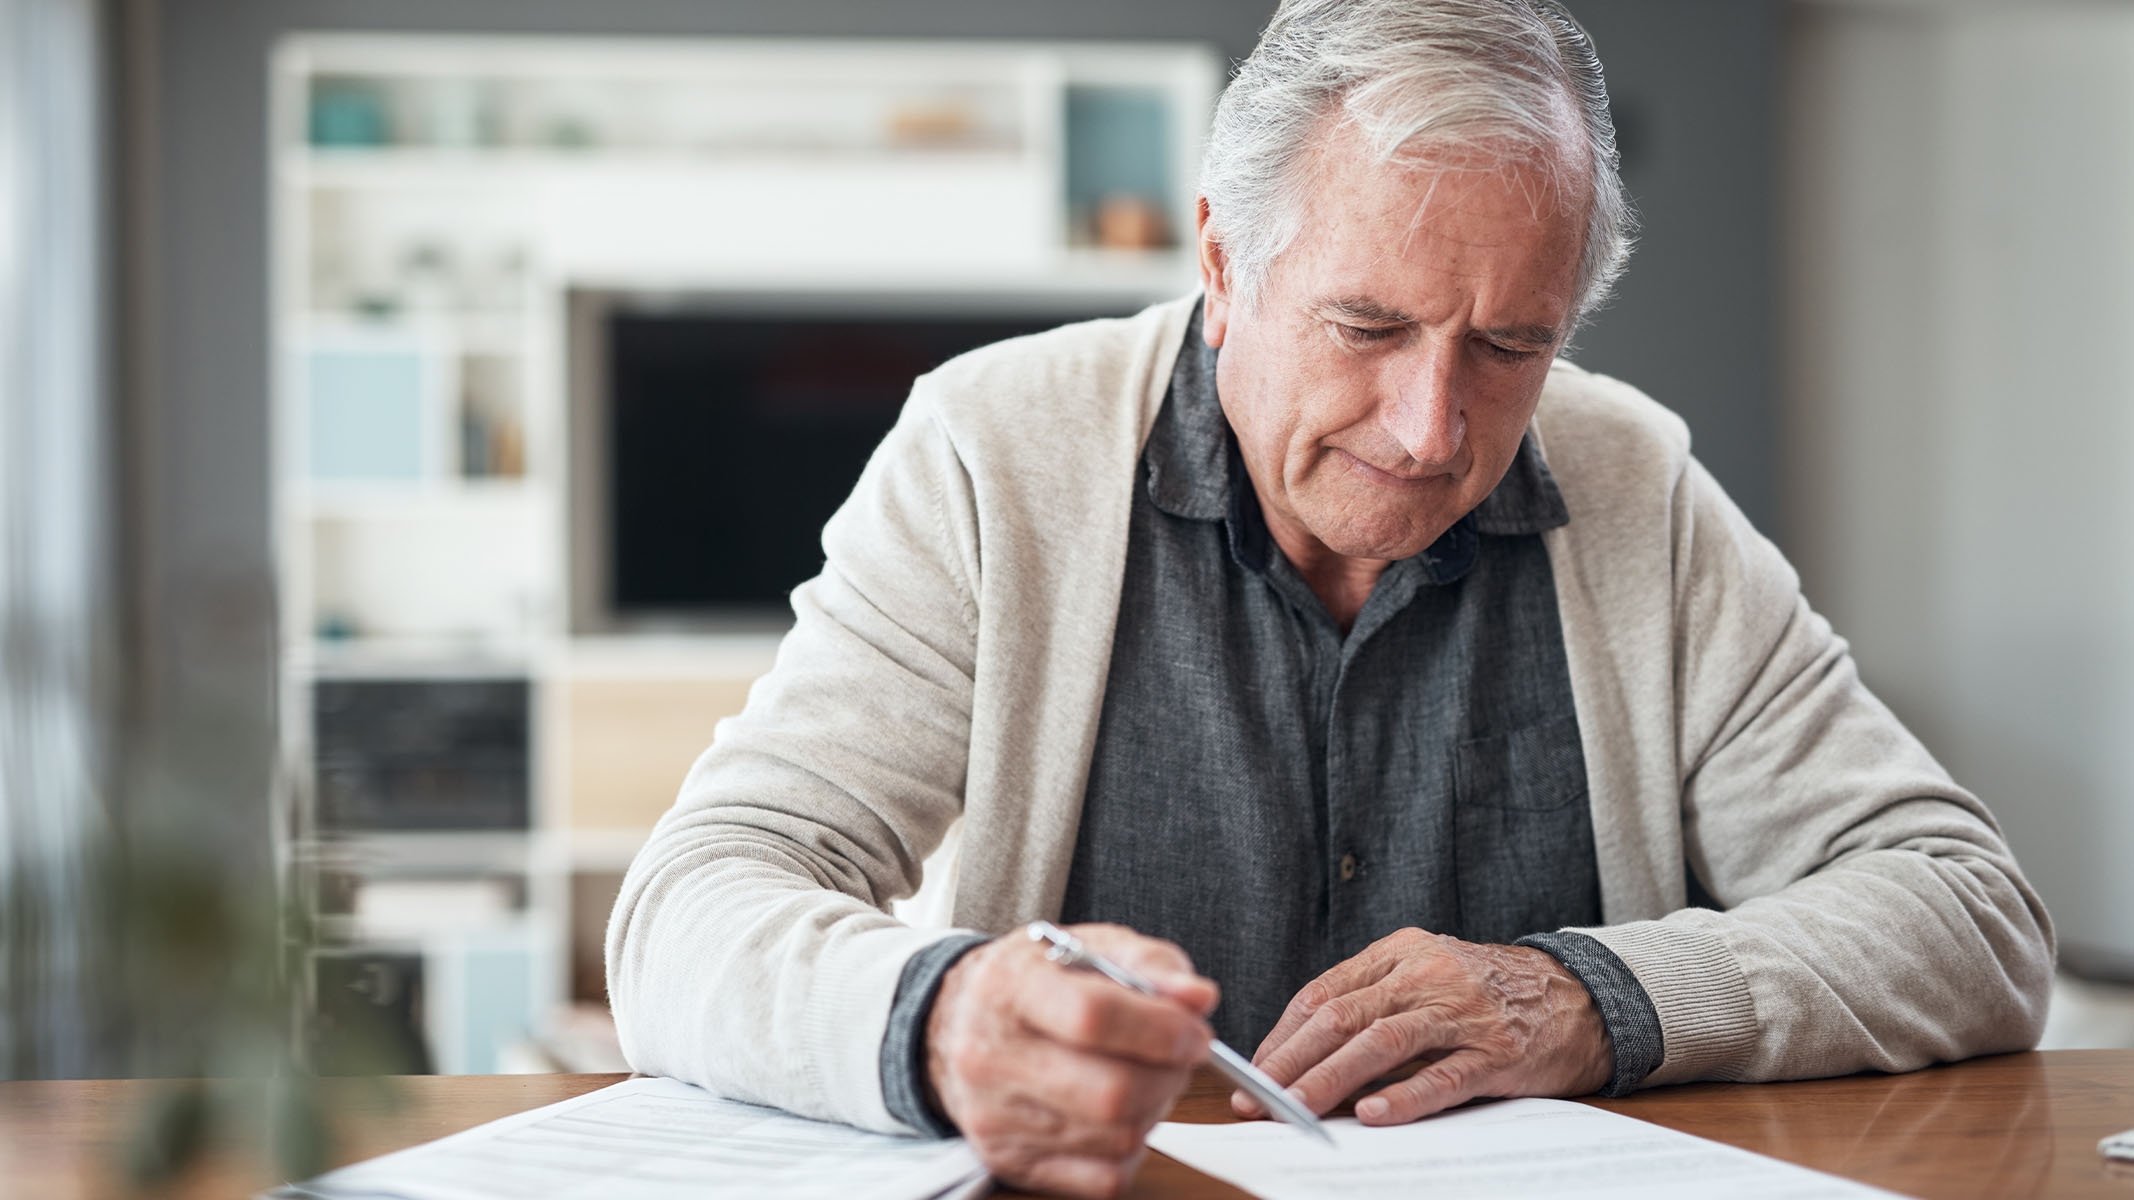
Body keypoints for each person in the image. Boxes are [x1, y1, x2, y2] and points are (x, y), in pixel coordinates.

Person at [606, 1, 2054, 1196]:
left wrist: (1584, 999)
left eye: (1508, 345)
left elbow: (1965, 916)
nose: (1431, 429)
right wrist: (944, 1019)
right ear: (1225, 265)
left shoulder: (1631, 485)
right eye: (1366, 327)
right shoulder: (994, 451)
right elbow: (686, 915)